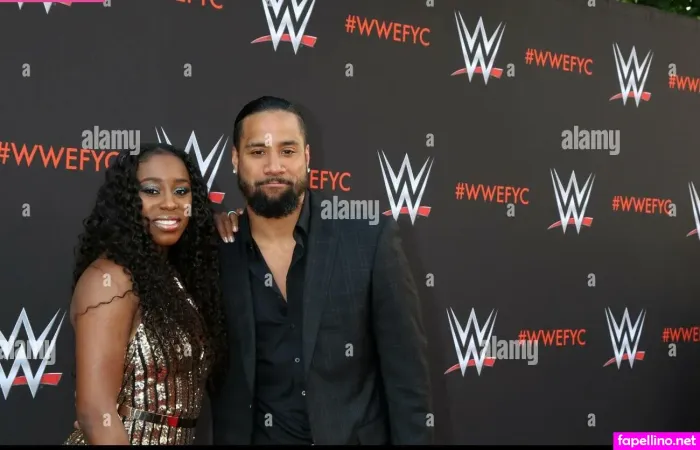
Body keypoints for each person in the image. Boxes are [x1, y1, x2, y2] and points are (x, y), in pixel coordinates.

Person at [208, 96, 434, 444]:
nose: (274, 166)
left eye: (287, 151)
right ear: (236, 159)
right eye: (258, 152)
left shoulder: (368, 238)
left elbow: (408, 380)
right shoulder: (214, 251)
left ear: (307, 157)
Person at [64, 143, 227, 445]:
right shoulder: (110, 279)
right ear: (127, 201)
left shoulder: (170, 278)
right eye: (151, 190)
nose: (170, 203)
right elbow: (95, 412)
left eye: (181, 191)